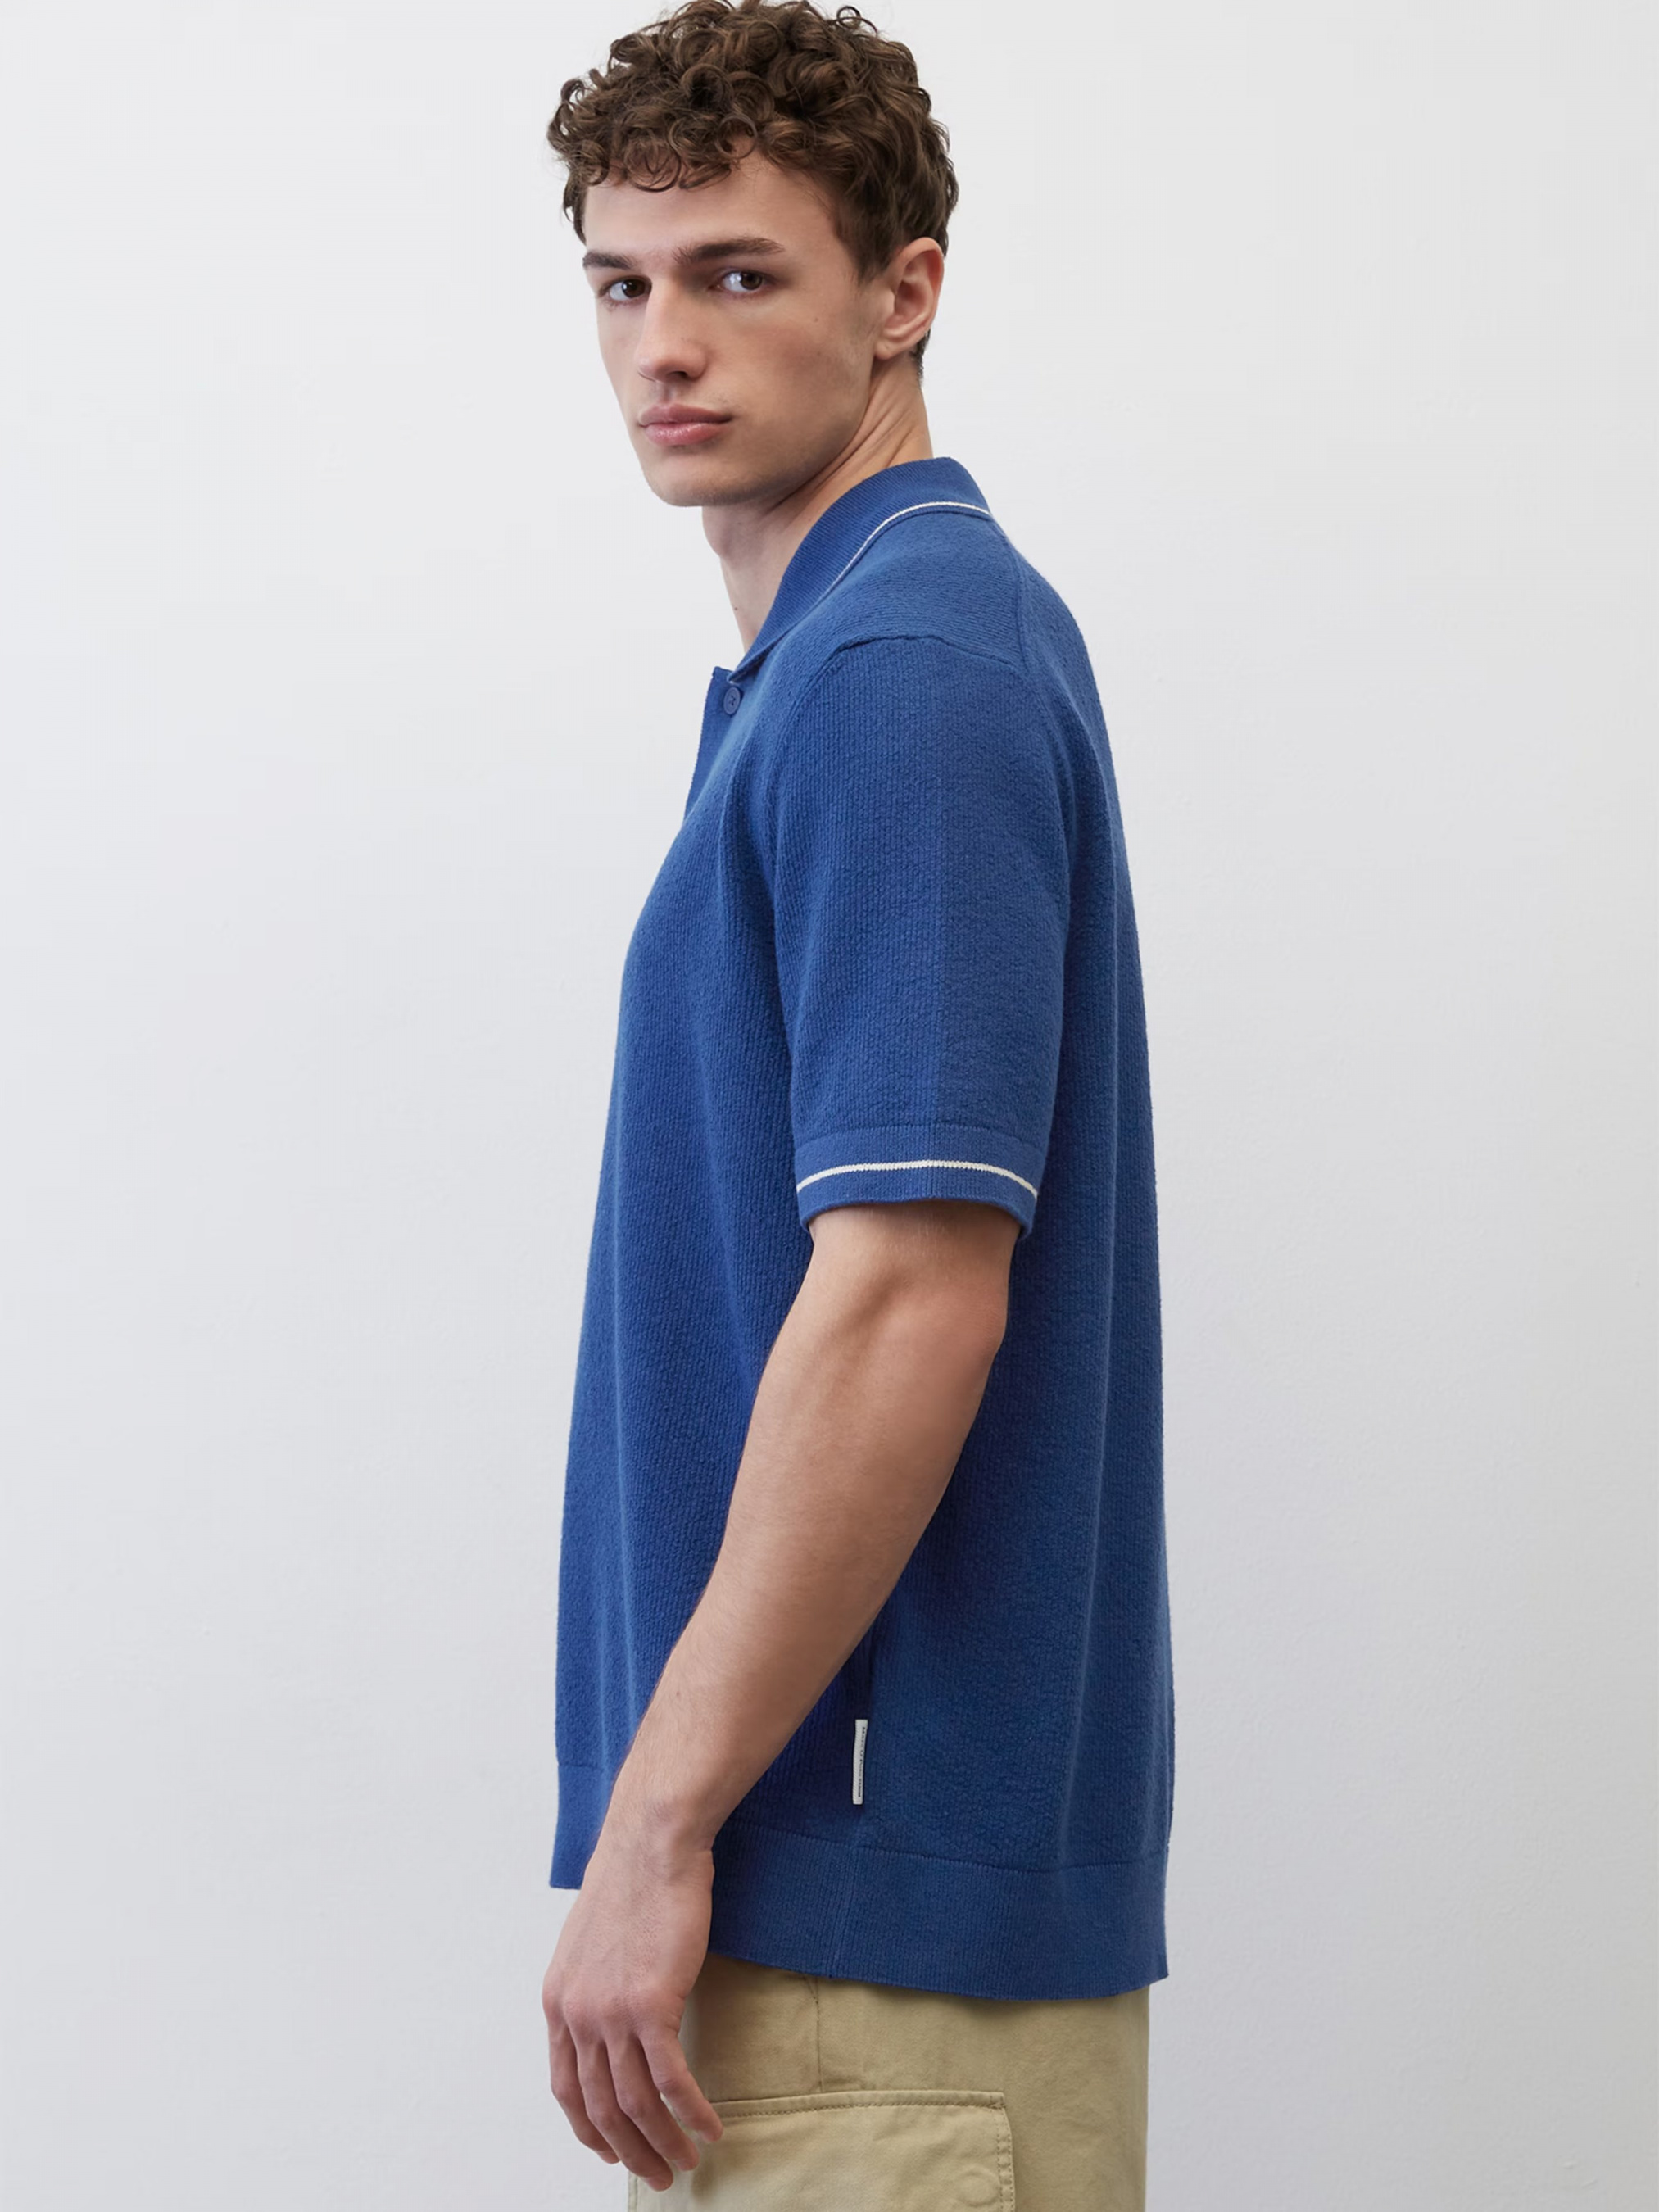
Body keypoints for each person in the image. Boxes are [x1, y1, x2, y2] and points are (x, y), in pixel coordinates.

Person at [538, 4, 1174, 2203]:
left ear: (904, 290)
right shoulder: (844, 658)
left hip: (860, 1928)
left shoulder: (903, 670)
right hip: (839, 1926)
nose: (663, 345)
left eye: (738, 274)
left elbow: (911, 1293)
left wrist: (655, 1822)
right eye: (621, 284)